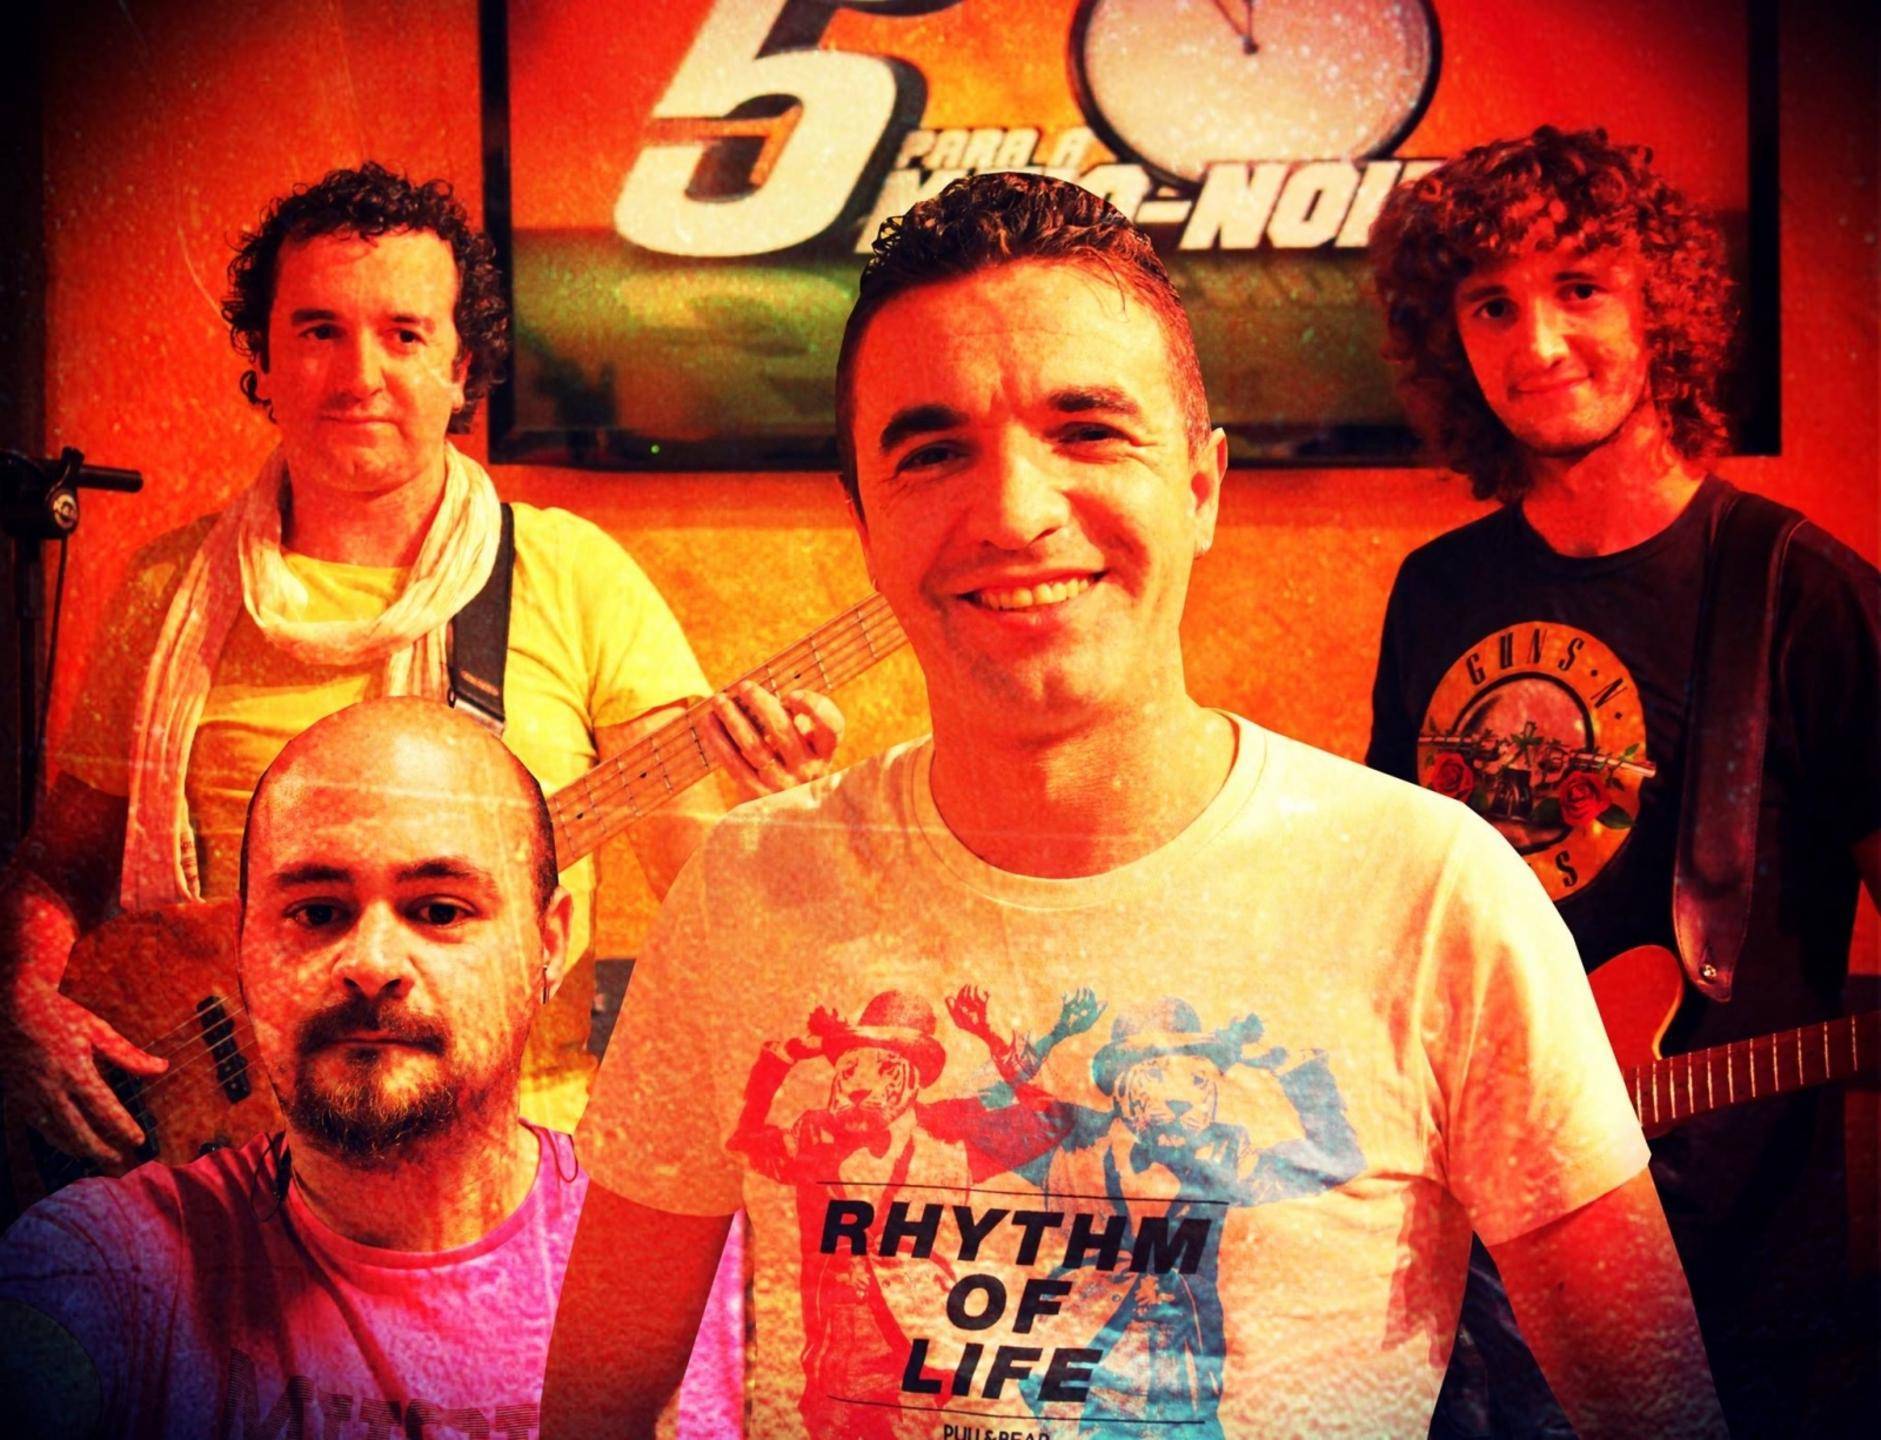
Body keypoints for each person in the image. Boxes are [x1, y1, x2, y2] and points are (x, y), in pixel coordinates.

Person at [541, 171, 1722, 1439]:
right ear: (866, 523)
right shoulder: (748, 890)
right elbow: (595, 1411)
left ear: (1203, 488)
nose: (1014, 513)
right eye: (934, 451)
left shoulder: (1432, 891)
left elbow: (1657, 1414)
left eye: (1090, 432)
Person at [0, 162, 841, 1172]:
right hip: (218, 1175)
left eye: (404, 335)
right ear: (262, 359)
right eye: (319, 330)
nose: (360, 375)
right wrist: (20, 1001)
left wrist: (778, 820)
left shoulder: (574, 576)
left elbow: (708, 911)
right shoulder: (166, 589)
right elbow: (57, 870)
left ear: (460, 367)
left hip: (511, 1161)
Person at [1366, 125, 1881, 1435]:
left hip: (1736, 1303)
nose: (1538, 344)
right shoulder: (1436, 592)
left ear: (1663, 305)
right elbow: (1398, 922)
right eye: (1491, 305)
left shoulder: (1798, 591)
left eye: (1580, 289)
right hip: (1476, 1288)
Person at [0, 697, 597, 1436]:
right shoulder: (113, 1257)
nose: (371, 963)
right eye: (316, 912)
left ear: (549, 946)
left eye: (439, 911)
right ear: (239, 944)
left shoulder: (683, 1272)